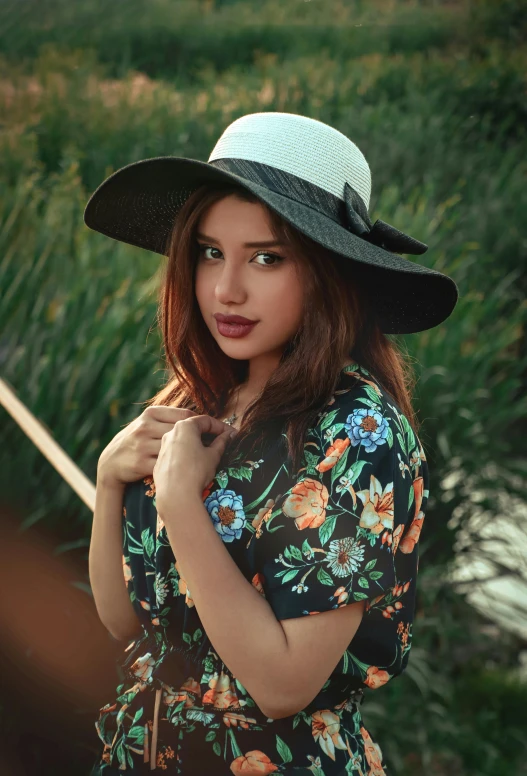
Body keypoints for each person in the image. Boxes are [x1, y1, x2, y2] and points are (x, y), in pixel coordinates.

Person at [85, 112, 458, 774]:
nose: (226, 289)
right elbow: (127, 623)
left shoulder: (358, 434)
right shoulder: (196, 396)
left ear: (327, 270)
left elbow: (283, 686)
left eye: (266, 257)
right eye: (209, 252)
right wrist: (110, 483)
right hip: (141, 751)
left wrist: (177, 497)